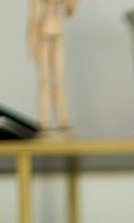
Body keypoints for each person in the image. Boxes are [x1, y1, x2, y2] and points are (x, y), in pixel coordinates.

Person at [28, 0, 79, 132]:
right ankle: (44, 121)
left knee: (59, 80)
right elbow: (33, 17)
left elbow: (70, 12)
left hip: (58, 34)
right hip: (43, 36)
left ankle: (63, 120)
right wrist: (32, 42)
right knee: (44, 80)